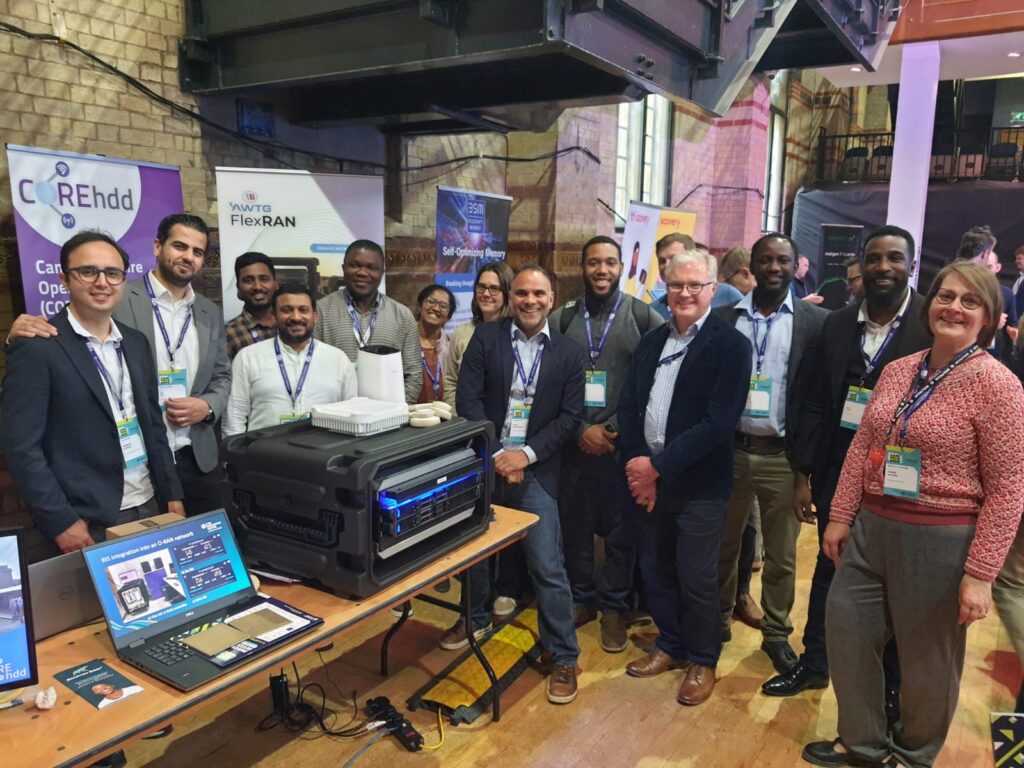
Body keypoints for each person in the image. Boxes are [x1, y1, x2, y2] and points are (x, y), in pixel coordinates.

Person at [805, 261, 1024, 768]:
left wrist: (981, 574)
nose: (954, 307)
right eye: (946, 296)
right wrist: (841, 515)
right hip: (871, 527)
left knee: (928, 660)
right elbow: (864, 443)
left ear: (989, 317)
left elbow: (1009, 490)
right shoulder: (900, 369)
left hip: (941, 539)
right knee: (848, 633)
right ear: (929, 304)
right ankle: (862, 745)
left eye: (970, 302)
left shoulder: (999, 386)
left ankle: (911, 754)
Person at [764, 226, 931, 716]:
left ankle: (893, 684)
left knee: (898, 582)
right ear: (862, 261)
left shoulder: (930, 324)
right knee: (828, 568)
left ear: (911, 265)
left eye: (895, 258)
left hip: (905, 476)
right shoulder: (836, 325)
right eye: (875, 257)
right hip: (840, 470)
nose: (884, 267)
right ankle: (816, 663)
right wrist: (803, 474)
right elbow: (813, 401)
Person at [8, 214, 230, 517]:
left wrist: (207, 407)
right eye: (180, 246)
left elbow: (220, 375)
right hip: (100, 487)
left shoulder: (205, 312)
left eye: (197, 251)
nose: (188, 257)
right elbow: (23, 441)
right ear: (157, 246)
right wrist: (14, 337)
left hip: (186, 460)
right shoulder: (113, 300)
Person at [618, 247, 751, 706]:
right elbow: (630, 405)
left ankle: (702, 657)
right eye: (677, 285)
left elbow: (718, 423)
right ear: (666, 288)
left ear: (713, 289)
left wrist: (657, 466)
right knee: (656, 568)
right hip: (651, 480)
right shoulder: (652, 340)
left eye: (696, 285)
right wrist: (640, 465)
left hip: (700, 485)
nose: (686, 293)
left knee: (696, 575)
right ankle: (671, 645)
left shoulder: (732, 345)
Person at [1, 231, 183, 552]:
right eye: (88, 271)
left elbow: (153, 425)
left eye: (112, 273)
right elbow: (20, 447)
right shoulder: (37, 348)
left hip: (150, 502)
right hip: (87, 518)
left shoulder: (136, 342)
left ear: (123, 280)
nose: (102, 282)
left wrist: (173, 494)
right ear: (64, 279)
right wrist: (60, 521)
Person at [454, 265, 585, 705]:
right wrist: (497, 456)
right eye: (523, 293)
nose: (530, 301)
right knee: (472, 554)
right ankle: (474, 620)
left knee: (547, 566)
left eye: (539, 294)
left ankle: (564, 655)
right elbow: (468, 401)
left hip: (537, 471)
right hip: (487, 466)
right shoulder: (487, 339)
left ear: (553, 297)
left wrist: (524, 456)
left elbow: (569, 418)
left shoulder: (568, 351)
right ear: (512, 297)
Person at [717, 233, 828, 669]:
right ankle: (718, 618)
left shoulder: (814, 323)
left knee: (781, 554)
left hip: (783, 457)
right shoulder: (724, 319)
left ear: (795, 265)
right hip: (730, 452)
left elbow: (818, 400)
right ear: (753, 266)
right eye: (765, 260)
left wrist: (806, 472)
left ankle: (777, 632)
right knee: (723, 545)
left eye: (783, 260)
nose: (774, 268)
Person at [549, 236, 664, 652]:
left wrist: (612, 428)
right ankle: (582, 599)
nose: (602, 270)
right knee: (575, 527)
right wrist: (579, 428)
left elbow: (652, 382)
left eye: (610, 263)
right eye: (593, 263)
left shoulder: (642, 315)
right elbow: (551, 383)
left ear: (622, 268)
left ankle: (614, 606)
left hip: (622, 446)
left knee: (621, 530)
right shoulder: (561, 318)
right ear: (581, 267)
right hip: (573, 442)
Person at [223, 284, 356, 436]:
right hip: (263, 454)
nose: (296, 317)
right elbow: (234, 415)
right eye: (287, 310)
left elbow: (351, 414)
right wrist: (233, 456)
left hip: (323, 455)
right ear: (274, 315)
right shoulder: (248, 357)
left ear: (315, 316)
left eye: (303, 310)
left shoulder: (338, 359)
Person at [313, 240, 420, 403]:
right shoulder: (320, 311)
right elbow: (312, 370)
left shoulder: (403, 316)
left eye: (371, 268)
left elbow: (414, 375)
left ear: (382, 273)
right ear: (343, 269)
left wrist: (394, 413)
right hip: (335, 415)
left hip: (388, 417)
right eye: (355, 265)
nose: (362, 272)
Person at [443, 261, 514, 413]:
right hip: (465, 422)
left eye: (494, 289)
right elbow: (451, 381)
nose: (486, 294)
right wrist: (458, 418)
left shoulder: (516, 333)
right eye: (481, 287)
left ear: (508, 293)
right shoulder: (462, 332)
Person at [224, 252, 279, 359]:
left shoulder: (290, 323)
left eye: (264, 279)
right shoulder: (228, 334)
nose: (257, 287)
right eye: (248, 280)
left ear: (275, 284)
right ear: (238, 288)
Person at [415, 284, 456, 404]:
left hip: (444, 417)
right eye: (431, 302)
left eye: (443, 306)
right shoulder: (404, 341)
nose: (436, 308)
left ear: (448, 316)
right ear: (419, 307)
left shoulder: (451, 347)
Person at [651, 233, 697, 320]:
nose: (667, 265)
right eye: (662, 261)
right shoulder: (650, 313)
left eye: (674, 258)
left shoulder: (724, 297)